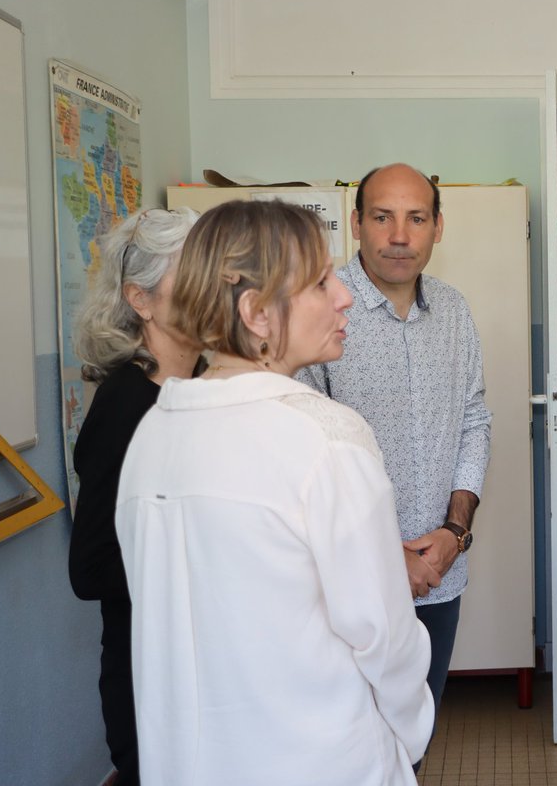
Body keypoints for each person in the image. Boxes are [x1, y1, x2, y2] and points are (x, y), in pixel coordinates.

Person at [115, 200, 434, 785]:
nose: (343, 296)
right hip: (320, 761)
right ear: (256, 313)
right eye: (320, 282)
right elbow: (385, 640)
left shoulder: (153, 434)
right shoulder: (327, 439)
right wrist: (410, 734)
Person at [296, 163, 491, 742]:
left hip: (439, 575)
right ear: (356, 224)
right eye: (383, 217)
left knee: (413, 737)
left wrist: (454, 534)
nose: (400, 236)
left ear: (437, 228)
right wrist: (386, 556)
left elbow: (474, 423)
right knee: (348, 747)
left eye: (416, 219)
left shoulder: (454, 312)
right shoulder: (322, 310)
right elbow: (306, 457)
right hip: (348, 583)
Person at [68, 207, 201, 786]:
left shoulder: (203, 392)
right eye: (190, 274)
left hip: (205, 674)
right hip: (152, 684)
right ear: (140, 300)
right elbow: (90, 568)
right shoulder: (125, 404)